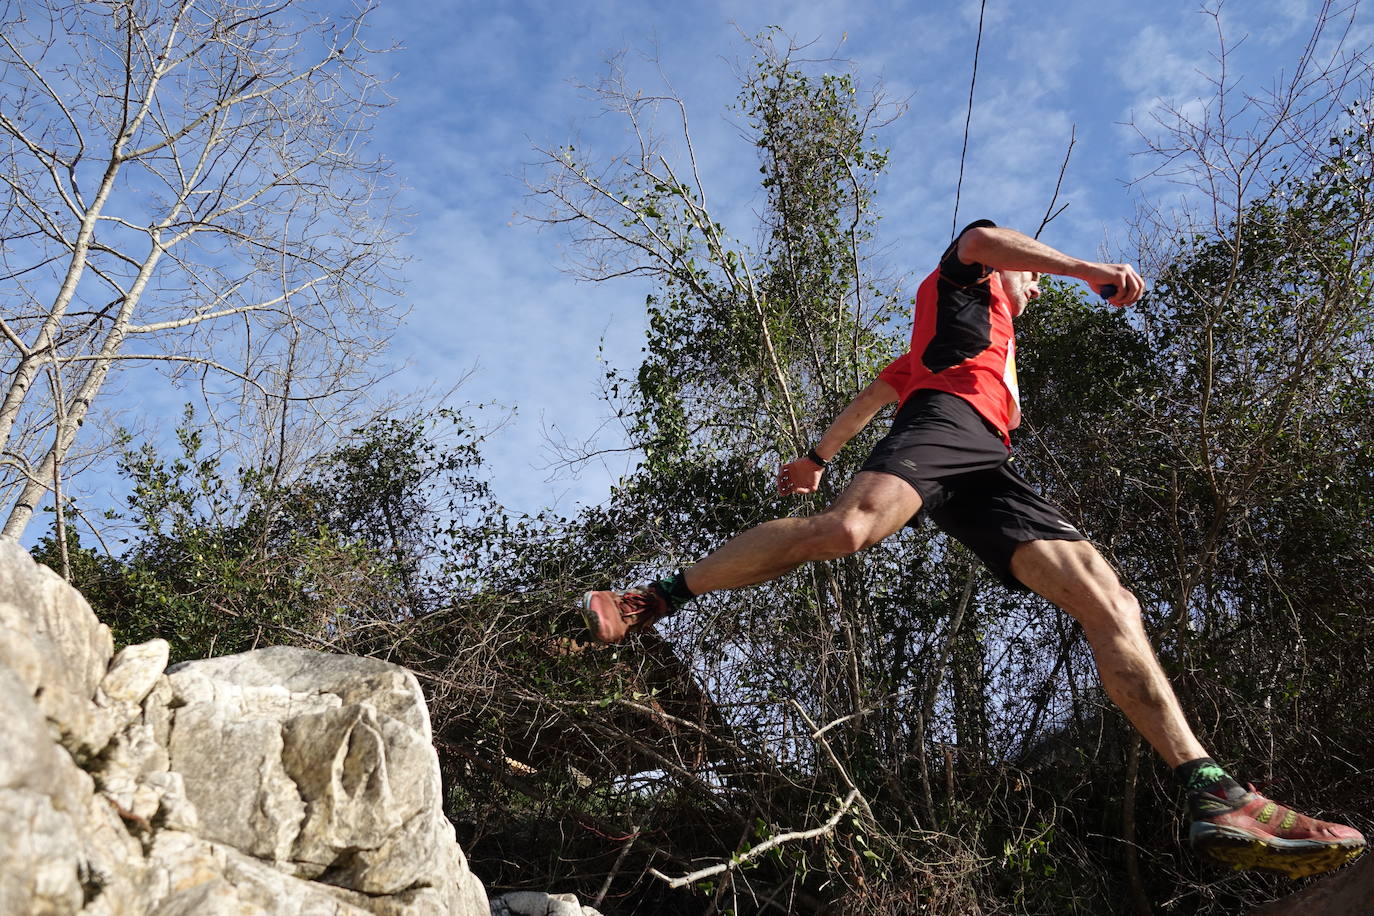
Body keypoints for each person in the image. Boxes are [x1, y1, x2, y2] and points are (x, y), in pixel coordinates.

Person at [579, 220, 1365, 878]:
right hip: (944, 427)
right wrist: (1089, 270)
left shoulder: (954, 346)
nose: (1033, 288)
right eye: (1033, 278)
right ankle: (647, 600)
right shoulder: (965, 290)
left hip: (986, 462)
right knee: (847, 531)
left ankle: (1212, 789)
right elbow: (982, 238)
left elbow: (870, 396)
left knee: (1110, 598)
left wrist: (816, 458)